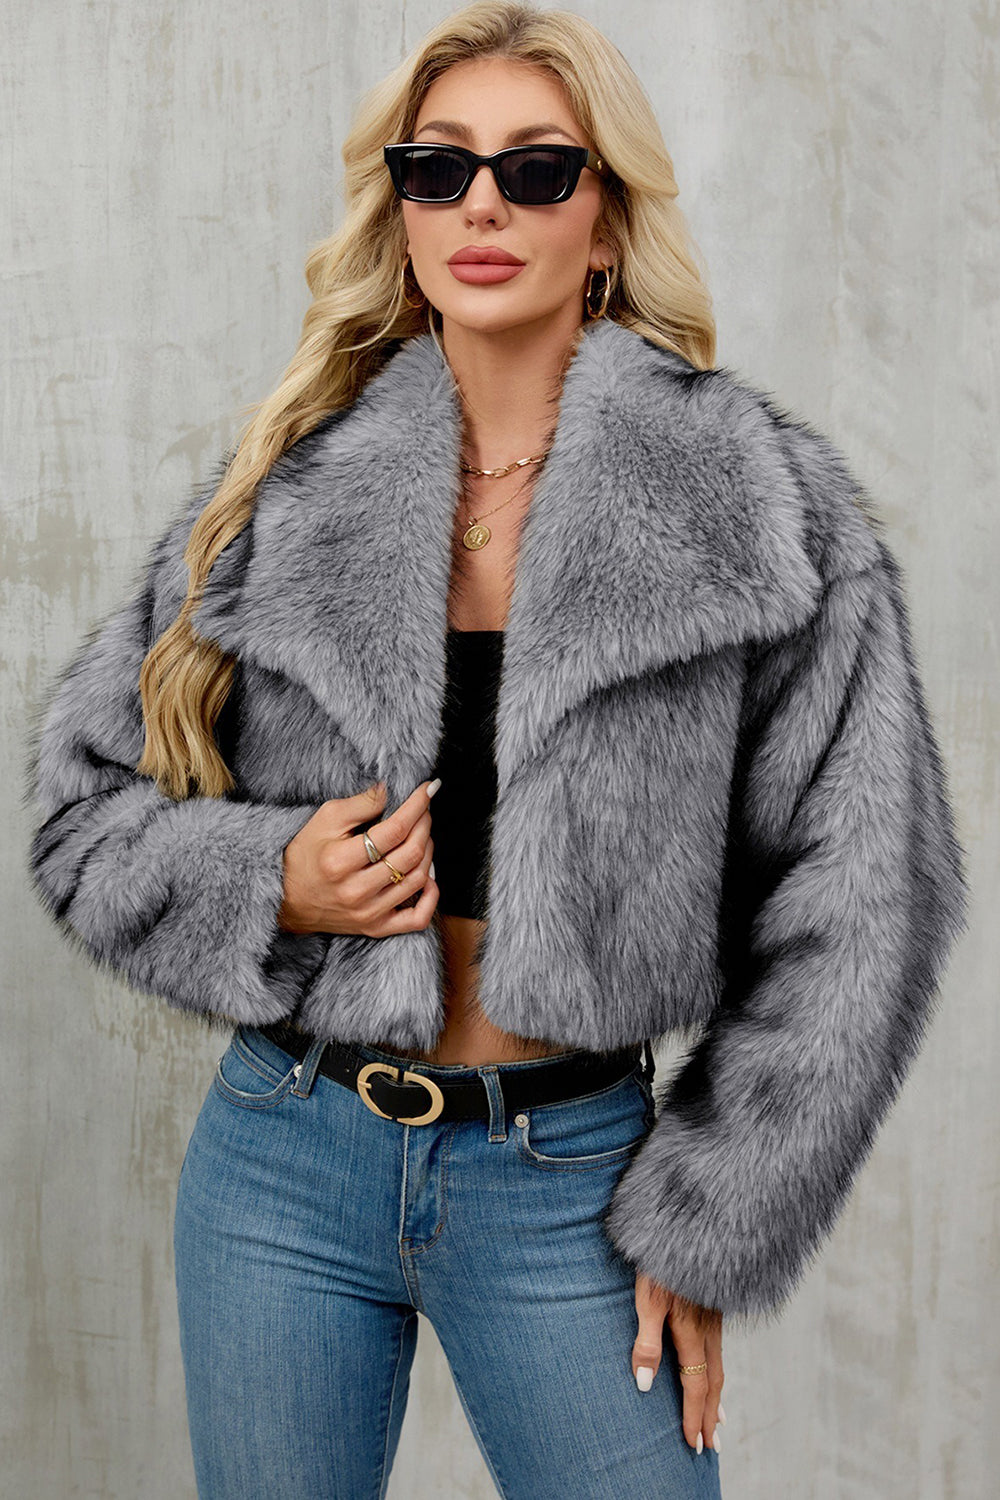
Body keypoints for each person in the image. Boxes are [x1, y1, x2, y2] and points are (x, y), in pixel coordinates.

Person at [25, 4, 969, 1497]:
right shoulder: (287, 494)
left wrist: (710, 1217)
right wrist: (270, 878)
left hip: (569, 1183)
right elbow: (81, 811)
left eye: (536, 170)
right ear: (400, 213)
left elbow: (869, 896)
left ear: (606, 224)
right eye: (440, 167)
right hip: (284, 1158)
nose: (482, 205)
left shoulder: (756, 508)